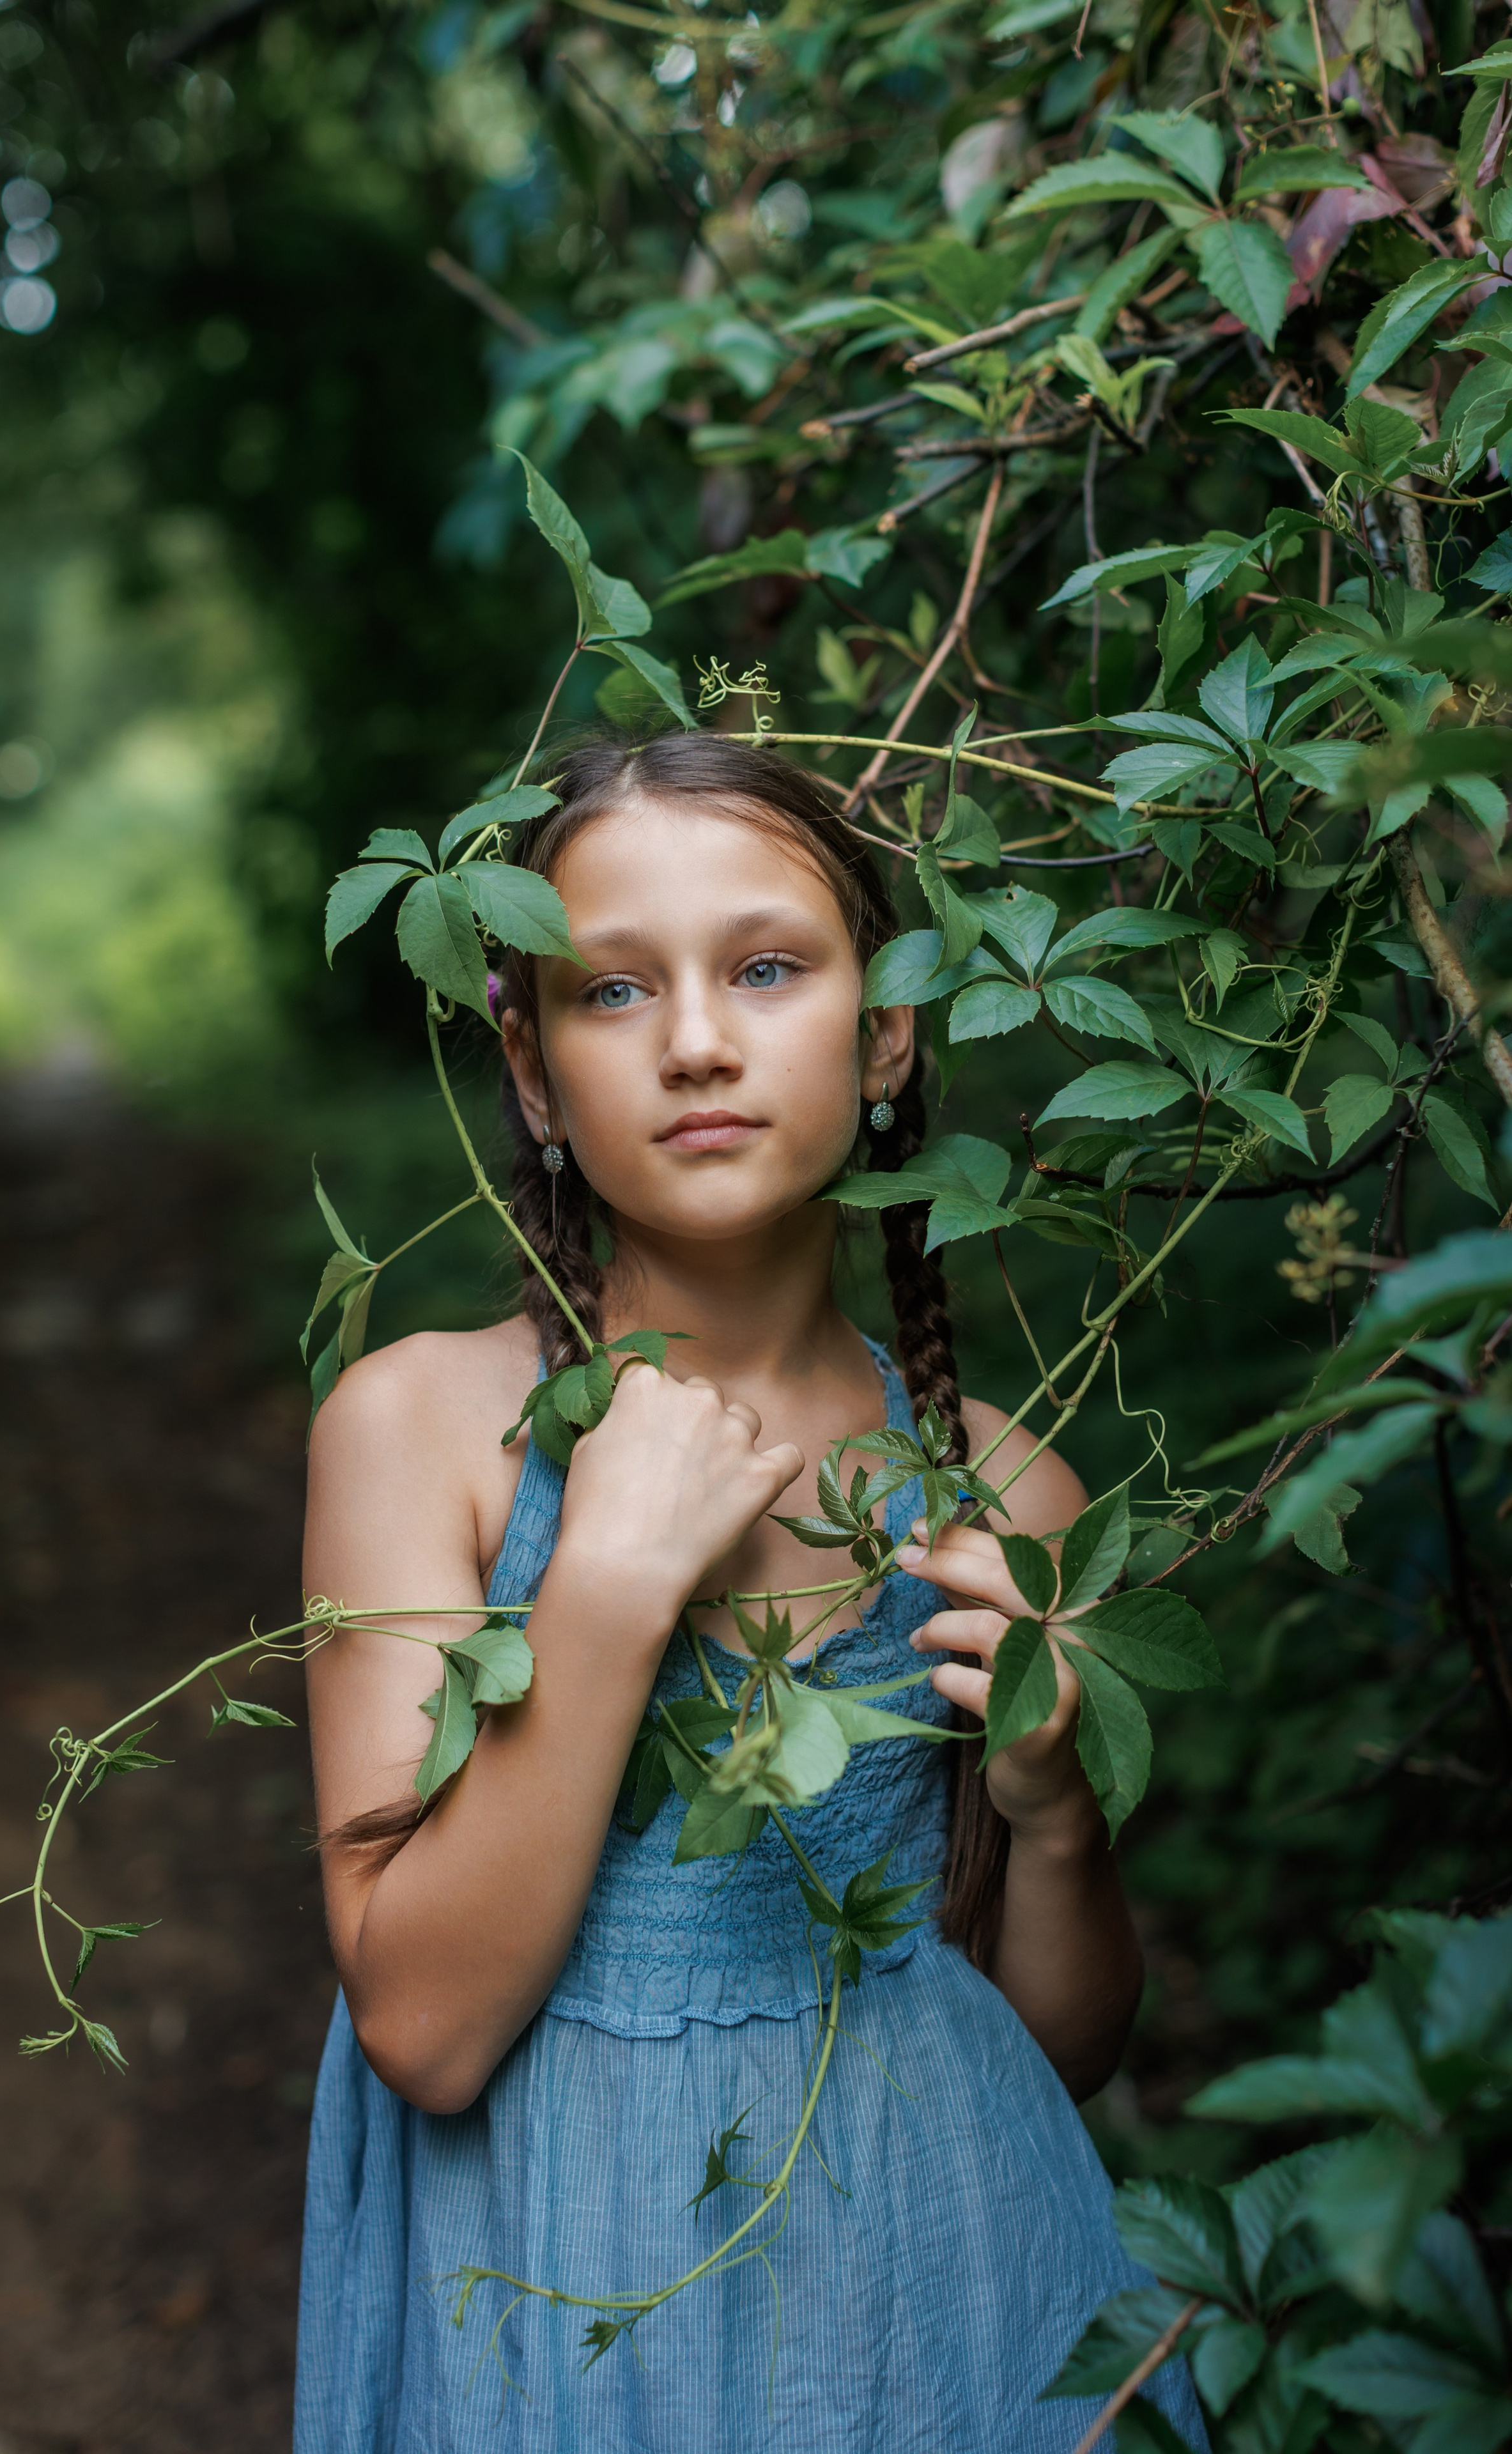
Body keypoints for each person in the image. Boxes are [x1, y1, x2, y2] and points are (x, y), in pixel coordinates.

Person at [293, 732, 1203, 2453]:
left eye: (768, 968)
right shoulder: (426, 1434)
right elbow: (419, 2026)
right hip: (561, 2313)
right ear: (534, 1069)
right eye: (613, 993)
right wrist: (605, 1593)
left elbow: (1052, 2056)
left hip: (934, 2315)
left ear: (886, 1031)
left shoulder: (1005, 1494)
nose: (699, 1040)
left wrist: (1054, 1808)